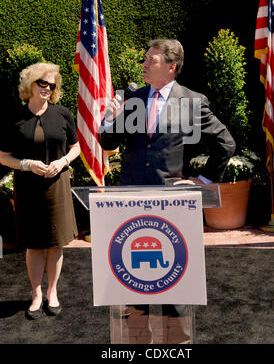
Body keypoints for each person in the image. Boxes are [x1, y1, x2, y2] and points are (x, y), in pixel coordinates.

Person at [99, 39, 236, 343]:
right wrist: (109, 120)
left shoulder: (192, 101)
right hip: (129, 203)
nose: (144, 64)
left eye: (151, 59)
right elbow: (109, 144)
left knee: (174, 286)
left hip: (171, 206)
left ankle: (179, 345)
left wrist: (201, 182)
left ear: (171, 67)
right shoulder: (132, 97)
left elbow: (226, 144)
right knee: (133, 285)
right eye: (145, 59)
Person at [0, 62, 80, 320]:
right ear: (30, 84)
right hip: (28, 188)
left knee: (55, 244)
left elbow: (75, 148)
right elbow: (3, 157)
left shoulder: (63, 114)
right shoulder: (14, 117)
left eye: (52, 84)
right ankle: (36, 294)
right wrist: (26, 164)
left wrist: (62, 162)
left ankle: (52, 293)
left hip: (57, 185)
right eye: (42, 83)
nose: (48, 88)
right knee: (34, 245)